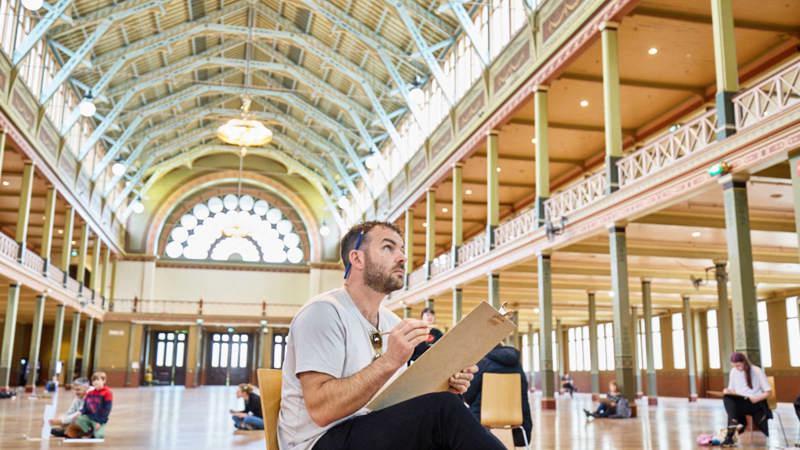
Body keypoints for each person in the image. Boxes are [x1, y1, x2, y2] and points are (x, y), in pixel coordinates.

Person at [278, 221, 506, 450]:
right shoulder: (323, 313)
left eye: (402, 250)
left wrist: (445, 382)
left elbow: (396, 399)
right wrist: (390, 360)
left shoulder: (391, 322)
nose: (403, 258)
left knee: (448, 405)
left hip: (366, 427)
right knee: (442, 411)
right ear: (357, 259)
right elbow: (321, 411)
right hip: (318, 441)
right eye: (388, 247)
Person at [464, 344, 532, 448]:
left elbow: (469, 394)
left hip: (483, 416)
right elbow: (523, 392)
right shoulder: (517, 364)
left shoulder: (483, 363)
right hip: (517, 418)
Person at [720, 352, 772, 446]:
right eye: (734, 366)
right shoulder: (733, 371)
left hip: (755, 402)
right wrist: (727, 390)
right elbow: (732, 389)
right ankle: (733, 425)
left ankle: (732, 430)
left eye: (738, 365)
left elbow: (768, 392)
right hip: (741, 401)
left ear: (744, 362)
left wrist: (756, 398)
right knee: (727, 398)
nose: (736, 368)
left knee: (733, 412)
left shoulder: (756, 370)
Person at [66, 371, 113, 439]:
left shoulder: (107, 393)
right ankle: (86, 431)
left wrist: (99, 422)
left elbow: (107, 410)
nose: (95, 382)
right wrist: (79, 412)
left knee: (99, 436)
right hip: (89, 417)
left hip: (99, 419)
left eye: (98, 379)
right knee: (77, 419)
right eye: (93, 380)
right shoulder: (90, 393)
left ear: (104, 380)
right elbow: (85, 407)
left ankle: (92, 431)